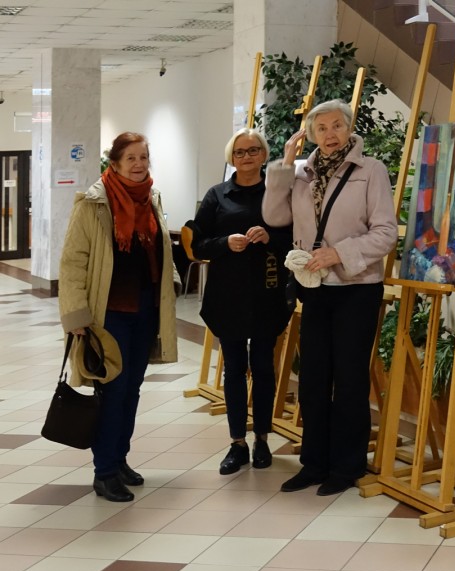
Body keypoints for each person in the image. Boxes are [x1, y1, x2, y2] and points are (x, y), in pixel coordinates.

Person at [263, 99, 398, 496]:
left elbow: (386, 233)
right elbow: (274, 217)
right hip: (315, 286)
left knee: (350, 378)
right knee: (313, 377)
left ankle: (346, 466)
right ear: (310, 135)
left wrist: (339, 253)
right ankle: (314, 463)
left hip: (357, 287)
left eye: (337, 125)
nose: (330, 134)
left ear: (349, 128)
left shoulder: (370, 170)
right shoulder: (301, 174)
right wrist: (285, 166)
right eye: (321, 129)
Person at [58, 132, 178, 502]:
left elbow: (160, 249)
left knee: (132, 388)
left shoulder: (151, 198)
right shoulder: (93, 203)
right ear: (115, 163)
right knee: (113, 390)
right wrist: (76, 314)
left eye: (144, 157)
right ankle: (105, 471)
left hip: (145, 309)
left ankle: (120, 458)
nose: (139, 164)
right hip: (108, 314)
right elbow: (73, 261)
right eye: (131, 158)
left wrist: (171, 283)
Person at [189, 128, 293, 476]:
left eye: (253, 150)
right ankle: (237, 443)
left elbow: (296, 239)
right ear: (231, 158)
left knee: (263, 367)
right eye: (239, 152)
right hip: (227, 296)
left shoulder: (278, 194)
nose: (246, 157)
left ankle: (262, 438)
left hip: (268, 293)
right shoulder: (217, 195)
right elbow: (197, 244)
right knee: (233, 369)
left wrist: (270, 236)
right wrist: (224, 243)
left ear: (264, 154)